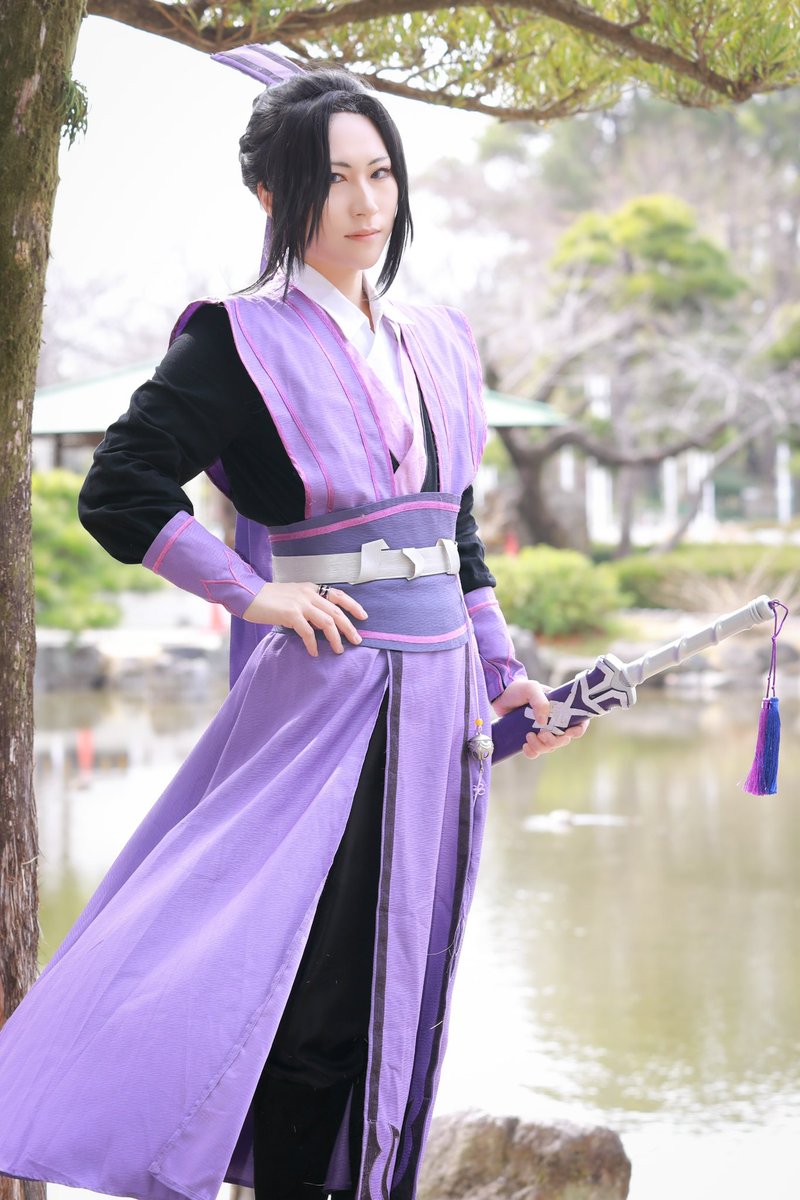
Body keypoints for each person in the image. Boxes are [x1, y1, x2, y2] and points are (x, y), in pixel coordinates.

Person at [0, 52, 585, 1200]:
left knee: (400, 981)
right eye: (334, 179)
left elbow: (454, 527)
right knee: (306, 989)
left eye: (381, 174)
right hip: (329, 701)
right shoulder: (237, 340)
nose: (365, 203)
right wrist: (256, 593)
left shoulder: (436, 339)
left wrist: (501, 669)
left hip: (440, 693)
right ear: (272, 195)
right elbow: (119, 489)